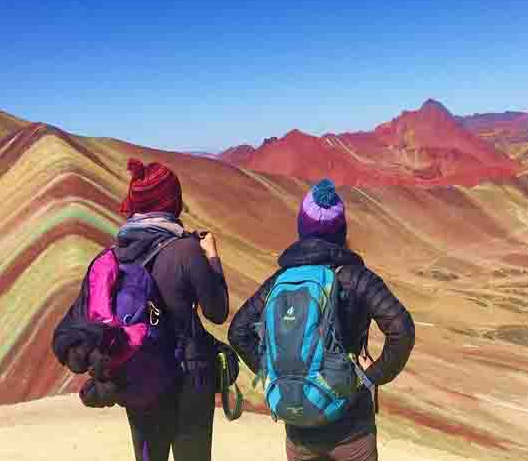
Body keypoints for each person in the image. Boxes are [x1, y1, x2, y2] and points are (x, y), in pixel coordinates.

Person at [229, 179, 415, 461]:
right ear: (342, 232)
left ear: (301, 229)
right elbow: (401, 330)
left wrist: (278, 375)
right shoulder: (357, 278)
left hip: (299, 424)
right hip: (352, 430)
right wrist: (368, 379)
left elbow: (238, 331)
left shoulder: (281, 281)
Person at [115, 158, 230, 461]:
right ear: (171, 201)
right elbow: (217, 311)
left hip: (138, 375)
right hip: (188, 378)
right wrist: (213, 259)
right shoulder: (187, 250)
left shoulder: (118, 253)